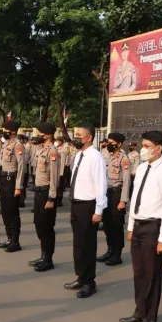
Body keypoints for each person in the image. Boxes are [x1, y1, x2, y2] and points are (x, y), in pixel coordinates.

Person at [119, 130, 162, 322]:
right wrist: (131, 226)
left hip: (154, 228)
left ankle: (150, 319)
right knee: (139, 273)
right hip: (139, 226)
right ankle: (139, 312)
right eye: (142, 145)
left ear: (158, 148)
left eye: (146, 146)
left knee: (152, 275)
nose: (143, 149)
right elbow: (136, 198)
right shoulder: (142, 167)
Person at [64, 124, 107, 298]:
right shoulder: (79, 154)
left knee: (87, 245)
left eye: (79, 135)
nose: (76, 138)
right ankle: (81, 277)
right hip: (76, 204)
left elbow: (100, 185)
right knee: (78, 243)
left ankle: (89, 282)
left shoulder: (95, 157)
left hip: (88, 205)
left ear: (89, 138)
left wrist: (98, 210)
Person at [29, 122, 60, 272]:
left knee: (47, 227)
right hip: (38, 191)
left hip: (47, 192)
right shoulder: (41, 150)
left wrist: (52, 198)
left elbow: (54, 177)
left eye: (40, 133)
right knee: (38, 224)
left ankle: (48, 259)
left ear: (48, 135)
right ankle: (43, 255)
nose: (38, 135)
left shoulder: (52, 152)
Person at [97, 132, 131, 266]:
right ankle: (109, 250)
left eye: (112, 143)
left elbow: (127, 181)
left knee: (116, 225)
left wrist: (123, 201)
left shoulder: (124, 159)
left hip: (117, 194)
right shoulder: (106, 155)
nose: (108, 145)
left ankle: (117, 254)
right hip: (106, 193)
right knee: (107, 224)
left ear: (119, 144)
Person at [0, 121, 25, 252]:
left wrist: (18, 186)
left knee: (12, 211)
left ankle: (15, 241)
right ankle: (9, 238)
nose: (3, 132)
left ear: (12, 131)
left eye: (5, 130)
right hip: (4, 178)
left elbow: (21, 166)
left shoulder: (18, 145)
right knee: (5, 210)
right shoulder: (7, 144)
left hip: (12, 179)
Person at [55, 136, 69, 207]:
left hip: (61, 170)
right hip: (55, 170)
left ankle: (59, 200)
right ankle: (55, 198)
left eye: (58, 141)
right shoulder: (55, 148)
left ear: (61, 142)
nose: (56, 142)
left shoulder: (64, 149)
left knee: (60, 186)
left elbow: (66, 153)